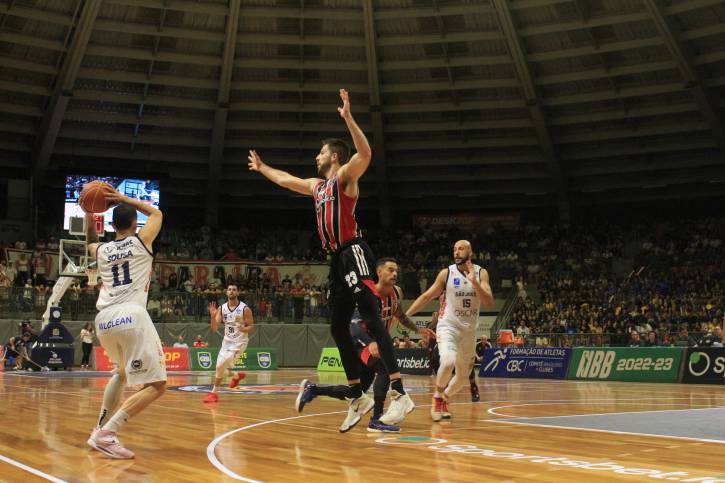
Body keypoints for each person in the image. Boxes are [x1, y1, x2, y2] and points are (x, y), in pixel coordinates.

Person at [248, 89, 413, 424]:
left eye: (321, 153)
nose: (316, 156)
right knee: (337, 326)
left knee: (370, 313)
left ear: (334, 157)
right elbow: (285, 180)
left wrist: (349, 118)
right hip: (336, 260)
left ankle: (399, 391)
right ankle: (356, 394)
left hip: (354, 250)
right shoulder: (316, 186)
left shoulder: (344, 178)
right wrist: (264, 167)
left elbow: (366, 152)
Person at [295, 259, 434, 432]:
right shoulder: (367, 296)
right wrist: (370, 343)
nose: (395, 274)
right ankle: (376, 420)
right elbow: (354, 325)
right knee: (384, 369)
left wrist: (418, 330)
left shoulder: (397, 293)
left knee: (356, 391)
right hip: (359, 343)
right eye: (390, 270)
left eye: (396, 271)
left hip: (375, 344)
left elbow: (400, 315)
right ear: (379, 273)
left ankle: (313, 389)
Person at [85, 188, 166, 459]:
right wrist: (123, 198)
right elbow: (156, 212)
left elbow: (90, 243)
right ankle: (107, 433)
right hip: (131, 315)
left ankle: (98, 426)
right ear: (134, 223)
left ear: (111, 224)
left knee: (120, 373)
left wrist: (88, 215)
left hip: (104, 319)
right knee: (157, 386)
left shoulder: (103, 250)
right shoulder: (142, 240)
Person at [406, 240, 494, 421]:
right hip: (448, 325)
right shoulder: (446, 273)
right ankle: (437, 398)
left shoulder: (481, 273)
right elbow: (427, 296)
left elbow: (488, 302)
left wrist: (474, 282)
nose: (456, 252)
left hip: (469, 331)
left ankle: (445, 397)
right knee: (447, 361)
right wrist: (405, 315)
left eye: (461, 249)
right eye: (454, 249)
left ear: (470, 251)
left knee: (462, 378)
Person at [203, 284, 253, 403]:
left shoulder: (245, 309)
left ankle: (213, 393)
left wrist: (243, 329)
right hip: (227, 342)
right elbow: (214, 329)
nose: (231, 291)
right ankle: (236, 376)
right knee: (220, 368)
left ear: (238, 293)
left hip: (240, 343)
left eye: (234, 290)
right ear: (226, 293)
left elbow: (251, 327)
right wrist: (212, 317)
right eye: (229, 290)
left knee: (220, 366)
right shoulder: (222, 308)